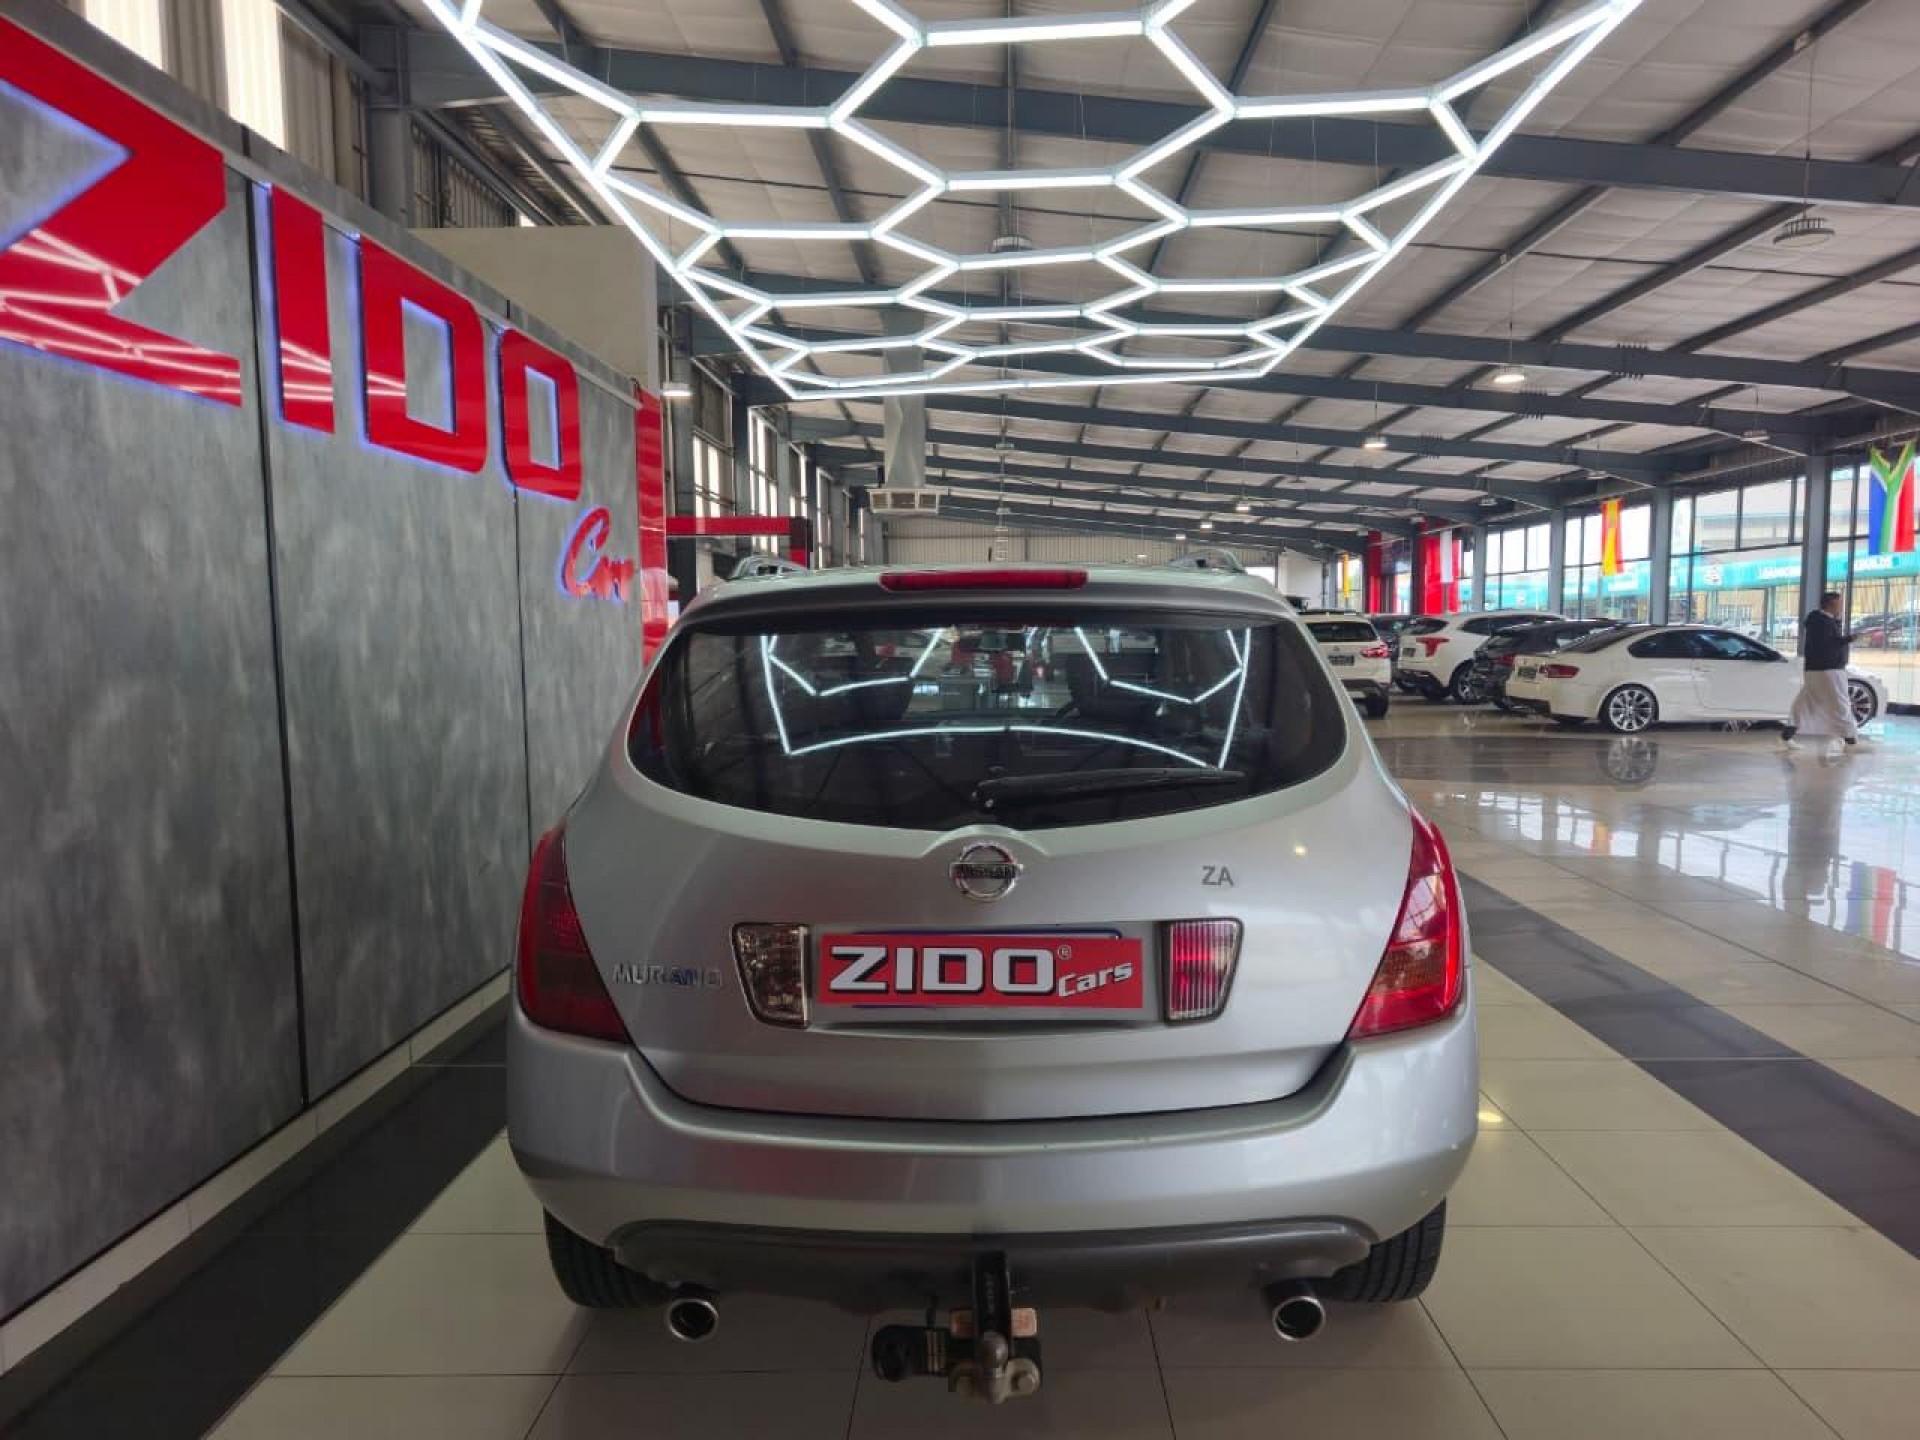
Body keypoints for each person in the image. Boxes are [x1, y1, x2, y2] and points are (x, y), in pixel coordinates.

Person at [1784, 591, 1859, 751]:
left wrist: (1837, 623)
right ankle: (1850, 739)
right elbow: (1829, 643)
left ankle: (1787, 734)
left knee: (1805, 702)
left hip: (1813, 669)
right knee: (1840, 702)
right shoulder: (1823, 622)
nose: (1841, 606)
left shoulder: (1817, 620)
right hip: (1829, 669)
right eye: (1839, 603)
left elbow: (1827, 640)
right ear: (1832, 604)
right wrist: (1848, 639)